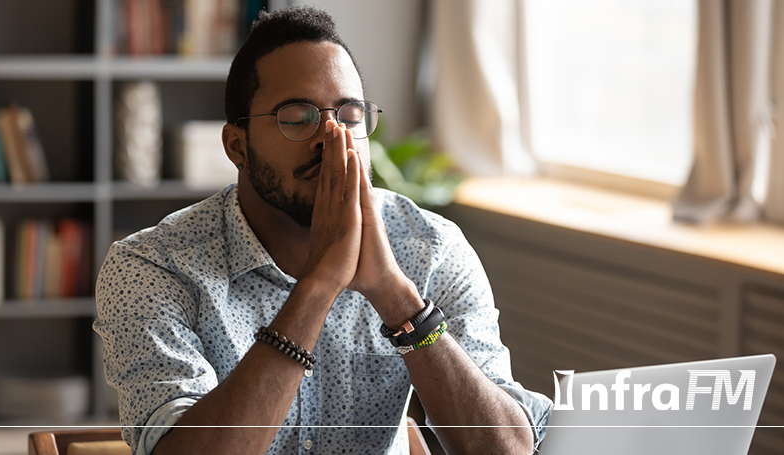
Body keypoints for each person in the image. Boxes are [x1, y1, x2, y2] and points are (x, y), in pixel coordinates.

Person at [94, 6, 552, 455]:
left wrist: (396, 298)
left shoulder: (430, 248)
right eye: (296, 117)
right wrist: (319, 286)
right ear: (238, 146)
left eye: (350, 117)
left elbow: (508, 449)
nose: (332, 137)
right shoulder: (152, 267)